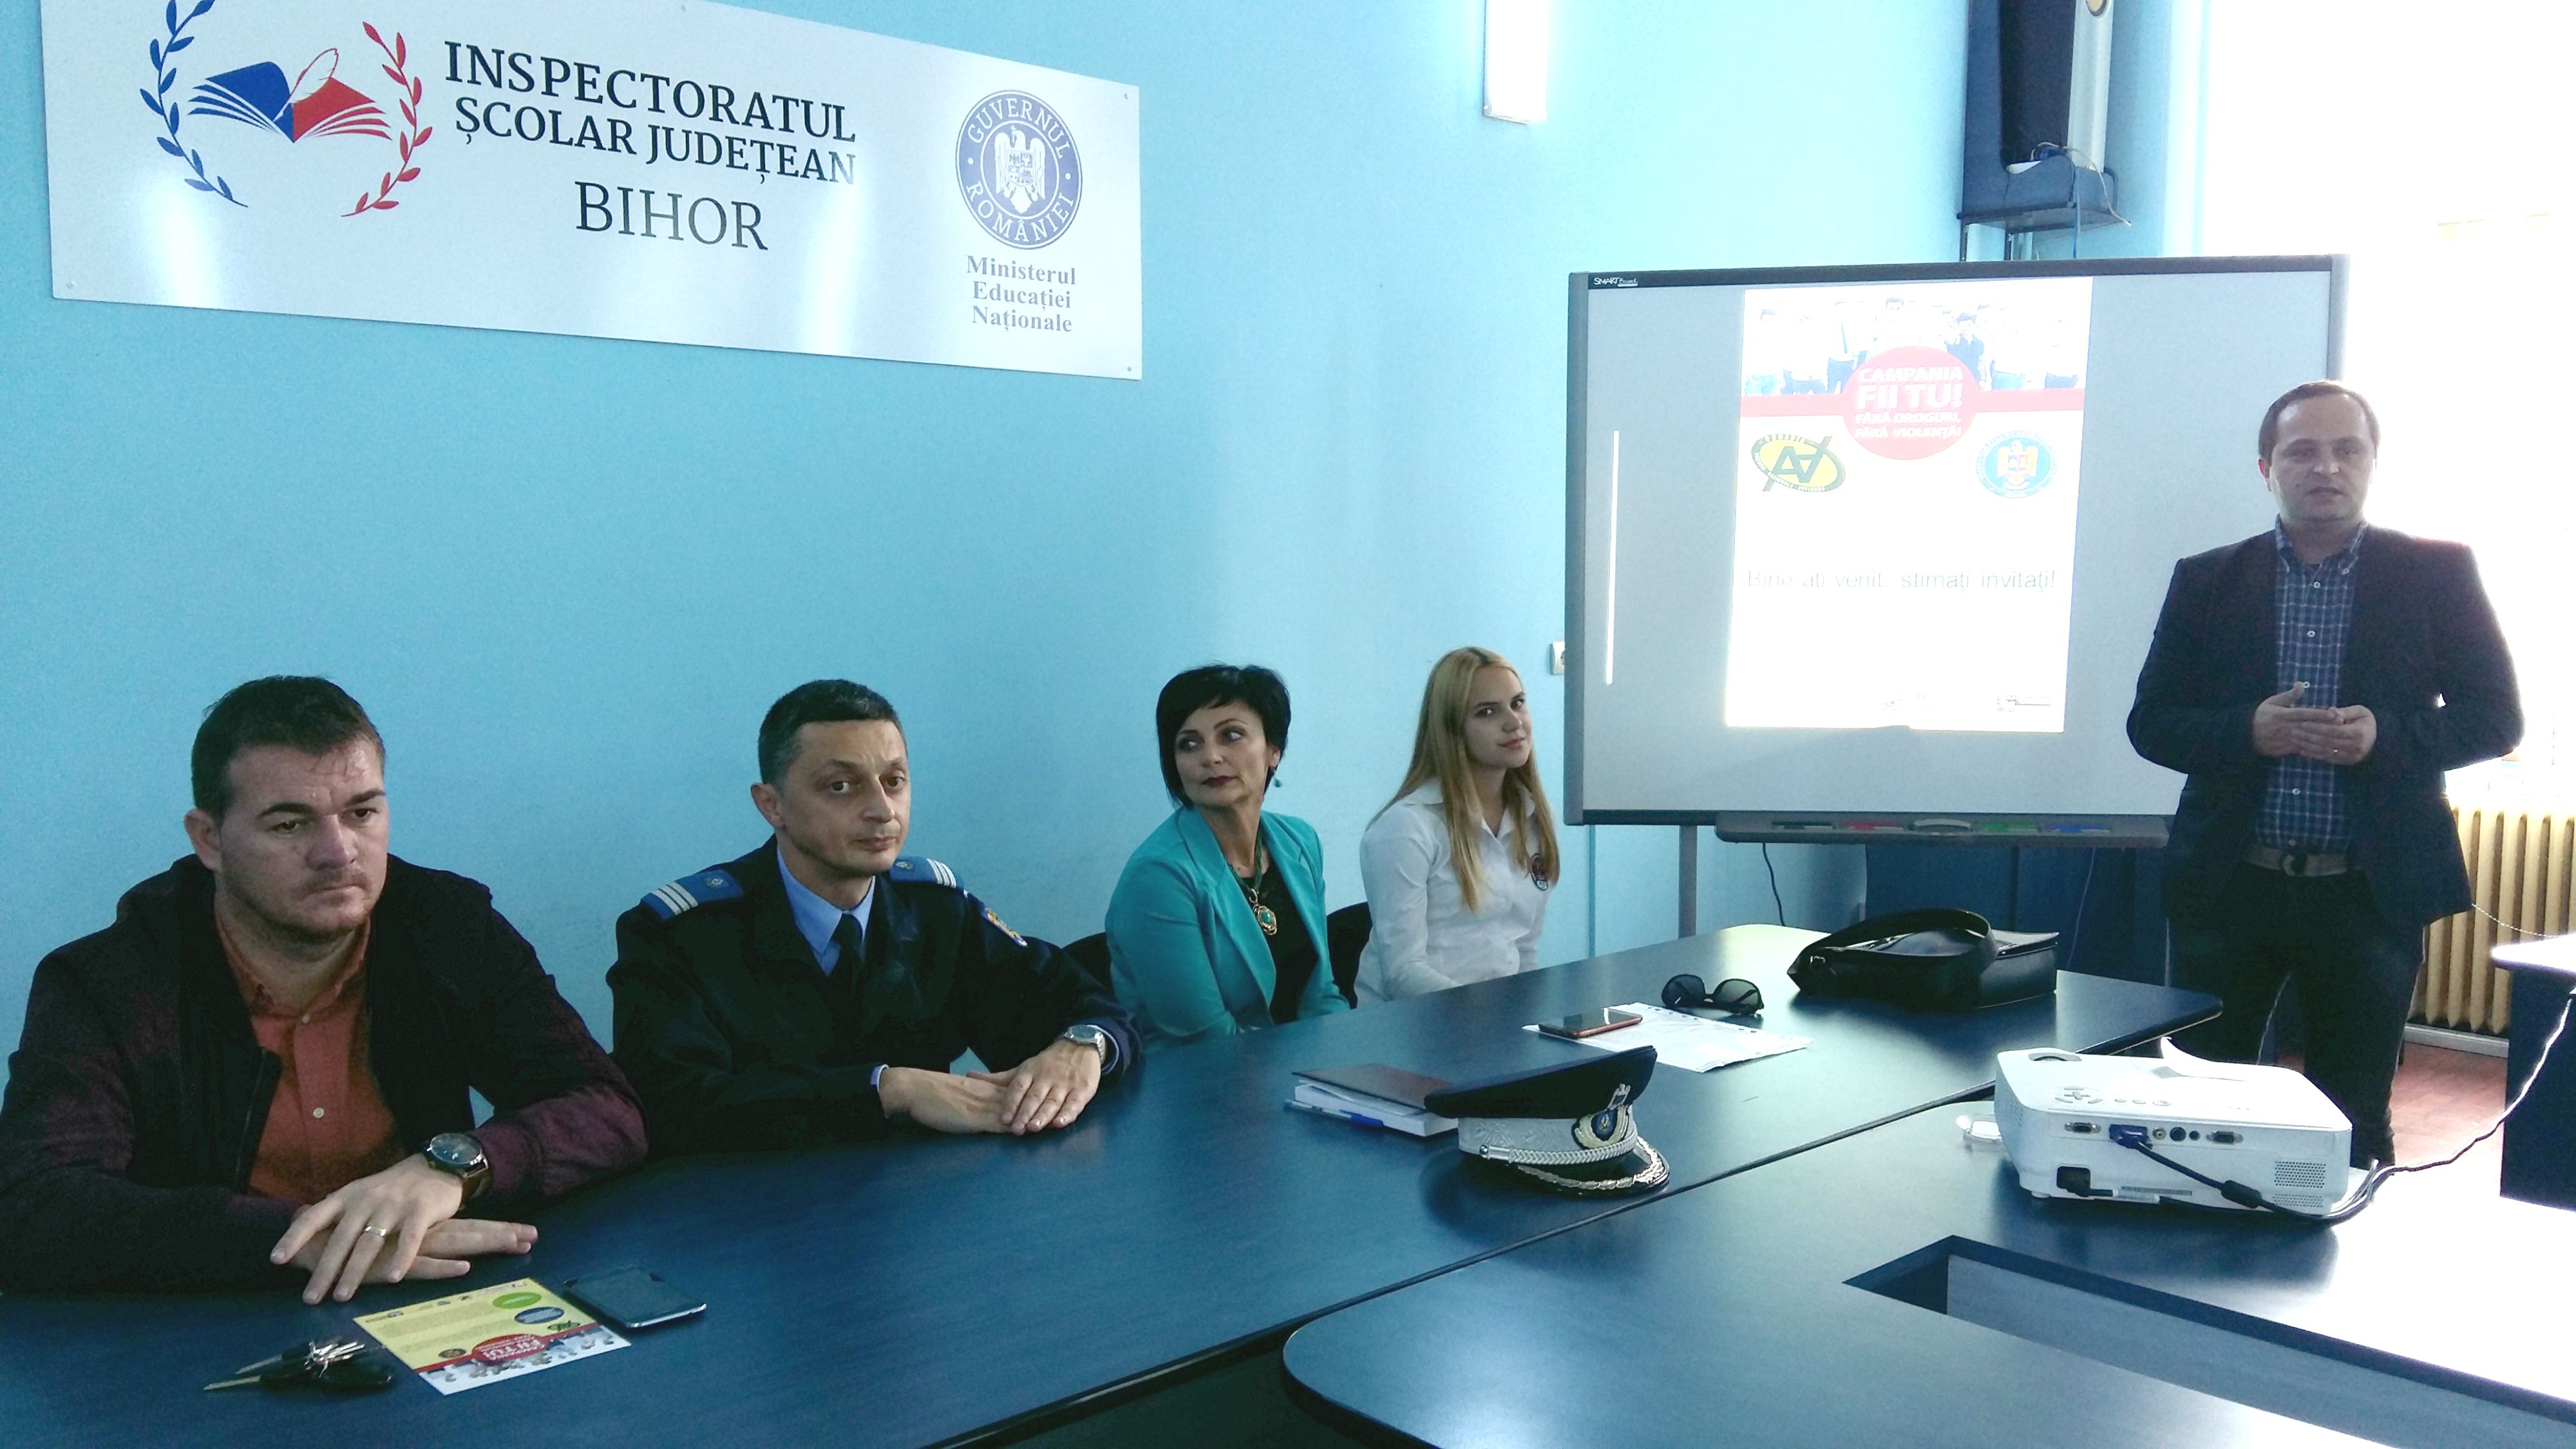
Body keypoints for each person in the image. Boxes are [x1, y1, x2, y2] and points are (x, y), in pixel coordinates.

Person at [0, 677, 645, 1298]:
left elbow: (607, 1108)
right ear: (209, 840)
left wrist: (453, 1168)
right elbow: (33, 1205)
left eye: (362, 812)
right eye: (289, 825)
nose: (338, 853)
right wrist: (300, 1238)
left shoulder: (448, 926)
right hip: (208, 1316)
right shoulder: (108, 983)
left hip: (424, 1295)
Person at [2128, 381, 2521, 1166]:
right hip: (2230, 887)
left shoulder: (2436, 573)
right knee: (2200, 1108)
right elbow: (2152, 722)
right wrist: (2247, 731)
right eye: (2302, 451)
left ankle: (2340, 1240)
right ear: (2266, 469)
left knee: (2351, 1121)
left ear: (2372, 463)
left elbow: (2495, 718)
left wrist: (2385, 737)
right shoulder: (2207, 580)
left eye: (2347, 450)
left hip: (2365, 895)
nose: (2326, 467)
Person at [609, 680, 1136, 1152]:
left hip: (920, 1201)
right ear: (772, 806)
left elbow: (1073, 998)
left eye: (894, 780)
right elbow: (674, 1104)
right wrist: (889, 1089)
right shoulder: (680, 934)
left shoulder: (934, 907)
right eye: (841, 786)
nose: (883, 810)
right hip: (753, 1211)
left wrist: (1083, 1044)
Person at [1107, 665, 1349, 1045]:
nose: (1211, 757)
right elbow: (1207, 1039)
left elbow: (1321, 996)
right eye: (1189, 744)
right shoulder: (1159, 876)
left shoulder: (1299, 842)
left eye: (1231, 736)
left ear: (1273, 750)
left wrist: (1349, 1058)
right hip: (1200, 1075)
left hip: (1300, 1066)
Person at [1355, 649, 1561, 1003]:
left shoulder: (1535, 817)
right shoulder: (1406, 828)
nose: (1514, 722)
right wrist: (1490, 1017)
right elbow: (1403, 973)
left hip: (1495, 1021)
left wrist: (1533, 1018)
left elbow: (1524, 952)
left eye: (1518, 703)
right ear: (1452, 730)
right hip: (1414, 1024)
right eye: (1487, 712)